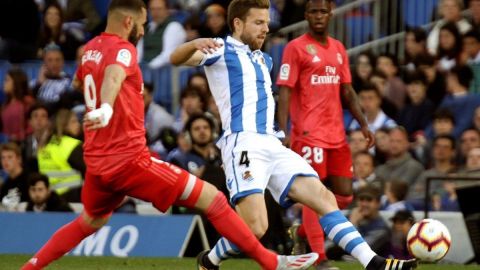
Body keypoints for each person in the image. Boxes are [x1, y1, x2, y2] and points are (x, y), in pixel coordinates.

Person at [21, 1, 318, 270]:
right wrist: (108, 107)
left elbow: (80, 80)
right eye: (142, 24)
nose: (142, 30)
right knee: (212, 199)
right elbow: (113, 76)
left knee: (90, 221)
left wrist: (102, 104)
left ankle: (31, 266)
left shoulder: (90, 50)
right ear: (128, 22)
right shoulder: (123, 49)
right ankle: (271, 262)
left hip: (98, 163)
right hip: (129, 161)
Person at [171, 1, 417, 270]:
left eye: (266, 22)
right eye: (258, 23)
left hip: (272, 143)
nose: (265, 29)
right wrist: (196, 43)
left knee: (325, 198)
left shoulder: (263, 58)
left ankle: (374, 263)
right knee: (255, 227)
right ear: (238, 24)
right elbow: (176, 59)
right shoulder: (220, 49)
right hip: (243, 143)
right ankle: (209, 260)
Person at [276, 0, 374, 267]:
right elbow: (284, 91)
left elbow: (347, 91)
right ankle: (319, 258)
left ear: (330, 14)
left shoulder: (339, 49)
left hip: (337, 134)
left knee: (344, 195)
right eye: (313, 12)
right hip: (308, 134)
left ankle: (302, 232)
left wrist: (363, 124)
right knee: (314, 193)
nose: (318, 16)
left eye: (323, 11)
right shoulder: (295, 48)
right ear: (306, 15)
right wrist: (283, 131)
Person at [137, 0, 187, 69]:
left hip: (166, 73)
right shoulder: (148, 28)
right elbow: (139, 52)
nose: (155, 12)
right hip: (145, 70)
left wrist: (149, 68)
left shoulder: (174, 26)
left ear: (167, 10)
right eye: (152, 9)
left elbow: (168, 54)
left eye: (159, 9)